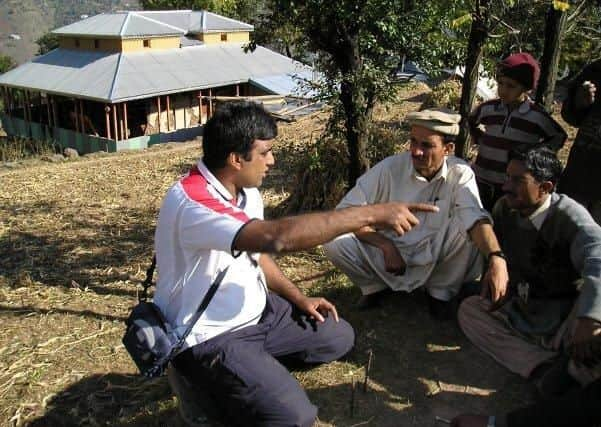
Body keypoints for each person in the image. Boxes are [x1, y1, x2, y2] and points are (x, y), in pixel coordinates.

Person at [153, 101, 438, 427]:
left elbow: (257, 255)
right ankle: (205, 380)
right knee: (297, 419)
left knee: (337, 337)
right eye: (265, 153)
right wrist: (372, 213)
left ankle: (252, 370)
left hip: (258, 314)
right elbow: (276, 239)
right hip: (212, 338)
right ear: (235, 159)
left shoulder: (243, 189)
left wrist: (298, 298)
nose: (272, 161)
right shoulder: (194, 202)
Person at [323, 108, 509, 317]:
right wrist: (386, 245)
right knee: (335, 239)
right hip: (391, 252)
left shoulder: (460, 173)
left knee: (467, 225)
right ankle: (375, 287)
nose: (416, 151)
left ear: (447, 149)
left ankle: (440, 293)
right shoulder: (390, 168)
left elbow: (474, 216)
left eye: (426, 145)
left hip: (435, 252)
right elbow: (347, 212)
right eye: (413, 142)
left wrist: (496, 257)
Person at [458, 146, 601, 400]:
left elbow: (598, 260)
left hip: (564, 318)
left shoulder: (570, 217)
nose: (506, 187)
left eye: (517, 181)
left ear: (545, 188)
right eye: (507, 177)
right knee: (470, 311)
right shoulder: (505, 209)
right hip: (522, 308)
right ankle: (543, 367)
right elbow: (492, 250)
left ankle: (572, 367)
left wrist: (590, 319)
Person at [468, 52, 567, 211]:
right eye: (500, 83)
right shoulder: (489, 109)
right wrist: (481, 139)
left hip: (510, 185)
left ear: (526, 88)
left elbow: (558, 136)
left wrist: (534, 155)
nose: (503, 90)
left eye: (511, 86)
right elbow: (471, 121)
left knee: (502, 223)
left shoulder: (536, 117)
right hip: (481, 178)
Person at [558, 59, 601, 224]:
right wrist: (579, 102)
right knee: (567, 233)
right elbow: (570, 115)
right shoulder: (596, 69)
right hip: (579, 176)